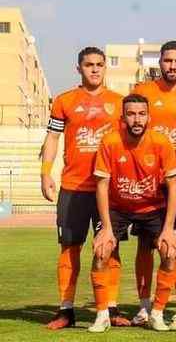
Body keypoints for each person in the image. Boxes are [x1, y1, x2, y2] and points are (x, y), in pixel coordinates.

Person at [40, 47, 127, 329]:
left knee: (110, 248)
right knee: (69, 248)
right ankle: (66, 310)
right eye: (89, 65)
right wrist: (45, 173)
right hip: (73, 187)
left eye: (100, 64)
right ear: (78, 68)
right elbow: (52, 138)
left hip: (108, 189)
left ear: (105, 67)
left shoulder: (119, 102)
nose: (95, 69)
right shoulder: (64, 100)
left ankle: (111, 307)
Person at [89, 93, 176, 332]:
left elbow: (174, 186)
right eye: (131, 114)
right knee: (101, 251)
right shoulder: (110, 142)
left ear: (149, 117)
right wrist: (106, 228)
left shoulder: (161, 142)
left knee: (170, 252)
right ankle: (102, 314)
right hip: (117, 207)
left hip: (152, 207)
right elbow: (101, 185)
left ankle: (156, 313)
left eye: (141, 114)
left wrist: (169, 229)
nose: (137, 119)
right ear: (123, 118)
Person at [131, 40, 176, 327]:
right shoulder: (144, 92)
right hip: (151, 180)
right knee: (146, 244)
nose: (172, 66)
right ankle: (144, 306)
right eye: (167, 60)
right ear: (160, 62)